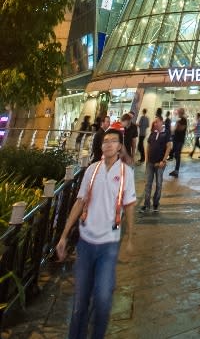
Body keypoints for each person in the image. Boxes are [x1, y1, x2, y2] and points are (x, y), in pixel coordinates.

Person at [56, 126, 136, 339]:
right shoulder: (92, 170)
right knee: (80, 303)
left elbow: (129, 206)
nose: (108, 144)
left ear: (120, 147)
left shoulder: (126, 173)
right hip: (86, 241)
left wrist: (129, 239)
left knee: (102, 300)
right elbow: (79, 202)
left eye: (113, 141)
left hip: (109, 244)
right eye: (105, 141)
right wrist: (64, 235)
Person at [140, 116, 172, 213]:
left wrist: (163, 160)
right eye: (154, 122)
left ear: (161, 122)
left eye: (157, 122)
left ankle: (155, 204)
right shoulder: (152, 133)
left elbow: (169, 147)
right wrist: (146, 159)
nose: (155, 123)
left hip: (160, 164)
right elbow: (148, 146)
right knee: (148, 184)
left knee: (158, 184)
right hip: (150, 162)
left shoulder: (166, 134)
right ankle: (146, 205)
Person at [169, 108, 187, 178]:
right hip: (176, 139)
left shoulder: (183, 120)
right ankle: (176, 170)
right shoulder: (179, 120)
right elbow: (175, 129)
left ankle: (176, 171)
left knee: (177, 154)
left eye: (179, 112)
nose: (178, 113)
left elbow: (181, 128)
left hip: (180, 140)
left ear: (181, 112)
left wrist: (177, 126)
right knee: (174, 153)